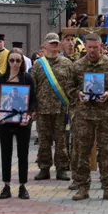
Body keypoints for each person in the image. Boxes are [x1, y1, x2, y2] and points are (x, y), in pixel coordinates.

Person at [66, 33, 108, 202]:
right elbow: (68, 87)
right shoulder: (77, 66)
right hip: (84, 116)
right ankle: (82, 187)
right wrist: (78, 94)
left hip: (105, 115)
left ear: (101, 47)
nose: (91, 50)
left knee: (107, 152)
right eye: (88, 47)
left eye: (95, 47)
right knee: (82, 152)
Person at [0, 49, 37, 200]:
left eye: (18, 61)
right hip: (5, 121)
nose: (15, 64)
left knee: (22, 154)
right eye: (12, 60)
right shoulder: (1, 79)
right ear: (8, 62)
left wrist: (30, 113)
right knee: (6, 153)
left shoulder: (27, 79)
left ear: (22, 63)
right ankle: (6, 186)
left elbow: (33, 100)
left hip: (23, 121)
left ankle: (22, 186)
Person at [33, 32, 73, 181]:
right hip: (43, 110)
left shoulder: (67, 63)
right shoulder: (38, 64)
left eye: (56, 42)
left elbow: (71, 86)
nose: (55, 45)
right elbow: (34, 87)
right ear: (45, 45)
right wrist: (33, 109)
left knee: (61, 140)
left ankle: (62, 169)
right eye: (52, 43)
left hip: (61, 109)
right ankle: (44, 168)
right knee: (44, 141)